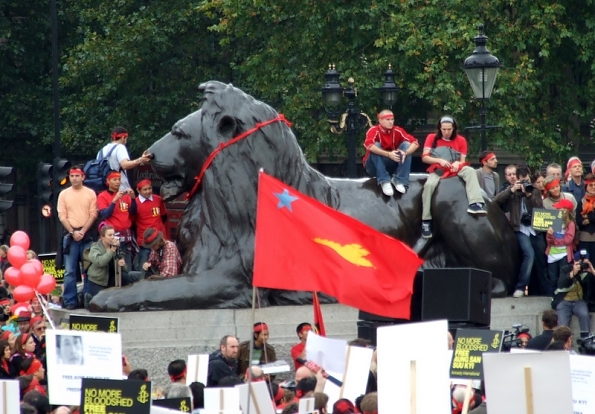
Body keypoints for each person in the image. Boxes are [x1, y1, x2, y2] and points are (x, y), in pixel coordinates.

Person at [421, 116, 487, 238]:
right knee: (429, 185)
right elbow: (425, 157)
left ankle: (475, 203)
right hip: (438, 169)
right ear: (440, 128)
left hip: (455, 168)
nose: (446, 132)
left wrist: (458, 163)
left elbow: (462, 160)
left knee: (470, 171)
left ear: (454, 128)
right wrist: (439, 160)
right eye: (444, 129)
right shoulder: (431, 138)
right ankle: (426, 220)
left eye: (449, 129)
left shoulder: (461, 140)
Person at [493, 165, 545, 297]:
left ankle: (541, 290)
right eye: (522, 180)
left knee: (541, 259)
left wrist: (528, 195)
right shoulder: (510, 190)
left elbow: (540, 209)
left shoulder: (535, 191)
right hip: (519, 229)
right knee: (529, 254)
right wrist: (511, 190)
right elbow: (495, 201)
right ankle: (520, 287)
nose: (524, 183)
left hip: (535, 229)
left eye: (526, 180)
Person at [57, 165, 98, 310]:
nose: (74, 178)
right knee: (69, 271)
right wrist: (73, 231)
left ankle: (87, 299)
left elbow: (93, 213)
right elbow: (62, 215)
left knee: (88, 269)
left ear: (83, 177)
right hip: (70, 235)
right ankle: (70, 301)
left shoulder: (90, 193)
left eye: (77, 176)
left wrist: (83, 231)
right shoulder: (63, 194)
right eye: (72, 176)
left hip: (86, 235)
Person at [363, 110, 419, 196]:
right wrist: (388, 154)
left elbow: (415, 143)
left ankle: (400, 180)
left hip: (392, 163)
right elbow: (369, 145)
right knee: (375, 146)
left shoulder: (398, 130)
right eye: (387, 119)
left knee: (406, 145)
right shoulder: (373, 130)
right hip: (373, 166)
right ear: (380, 120)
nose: (390, 122)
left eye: (392, 119)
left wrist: (406, 153)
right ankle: (384, 180)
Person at [96, 171, 134, 274]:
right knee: (114, 265)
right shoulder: (102, 196)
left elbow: (133, 212)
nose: (117, 182)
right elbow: (104, 214)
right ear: (108, 181)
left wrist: (133, 199)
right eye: (114, 180)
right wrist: (114, 200)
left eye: (119, 179)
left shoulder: (125, 196)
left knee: (127, 264)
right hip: (112, 235)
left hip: (126, 233)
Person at [552, 252, 594, 339]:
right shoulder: (565, 269)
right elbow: (561, 284)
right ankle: (562, 343)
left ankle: (585, 340)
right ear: (574, 261)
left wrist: (592, 271)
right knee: (562, 323)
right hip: (564, 300)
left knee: (584, 314)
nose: (581, 265)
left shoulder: (587, 272)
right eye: (579, 262)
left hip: (579, 301)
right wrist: (573, 273)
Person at [98, 126, 152, 192]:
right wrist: (141, 159)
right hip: (120, 189)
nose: (126, 141)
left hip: (105, 189)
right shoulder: (120, 147)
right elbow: (125, 165)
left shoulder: (101, 150)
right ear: (123, 137)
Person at [131, 179, 167, 270]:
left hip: (160, 241)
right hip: (145, 243)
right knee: (143, 269)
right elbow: (132, 223)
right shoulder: (135, 203)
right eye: (145, 189)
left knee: (161, 268)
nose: (148, 191)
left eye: (149, 188)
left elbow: (164, 216)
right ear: (138, 190)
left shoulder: (158, 199)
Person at [85, 224, 127, 302]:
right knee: (100, 302)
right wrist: (112, 250)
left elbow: (125, 268)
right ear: (102, 237)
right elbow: (101, 262)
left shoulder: (115, 246)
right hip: (98, 281)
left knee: (127, 276)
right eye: (109, 235)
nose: (112, 237)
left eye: (113, 235)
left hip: (112, 279)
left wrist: (122, 264)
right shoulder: (95, 248)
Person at [545, 199, 576, 296]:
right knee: (552, 278)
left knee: (562, 278)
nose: (557, 209)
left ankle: (562, 298)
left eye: (559, 208)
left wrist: (554, 241)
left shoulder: (570, 224)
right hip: (552, 255)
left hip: (564, 255)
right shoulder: (553, 221)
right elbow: (548, 240)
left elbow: (568, 240)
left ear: (565, 210)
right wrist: (550, 235)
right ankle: (551, 298)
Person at [576, 173, 595, 260]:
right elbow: (579, 221)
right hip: (584, 238)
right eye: (591, 185)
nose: (593, 187)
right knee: (585, 264)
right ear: (586, 186)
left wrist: (588, 218)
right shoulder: (581, 202)